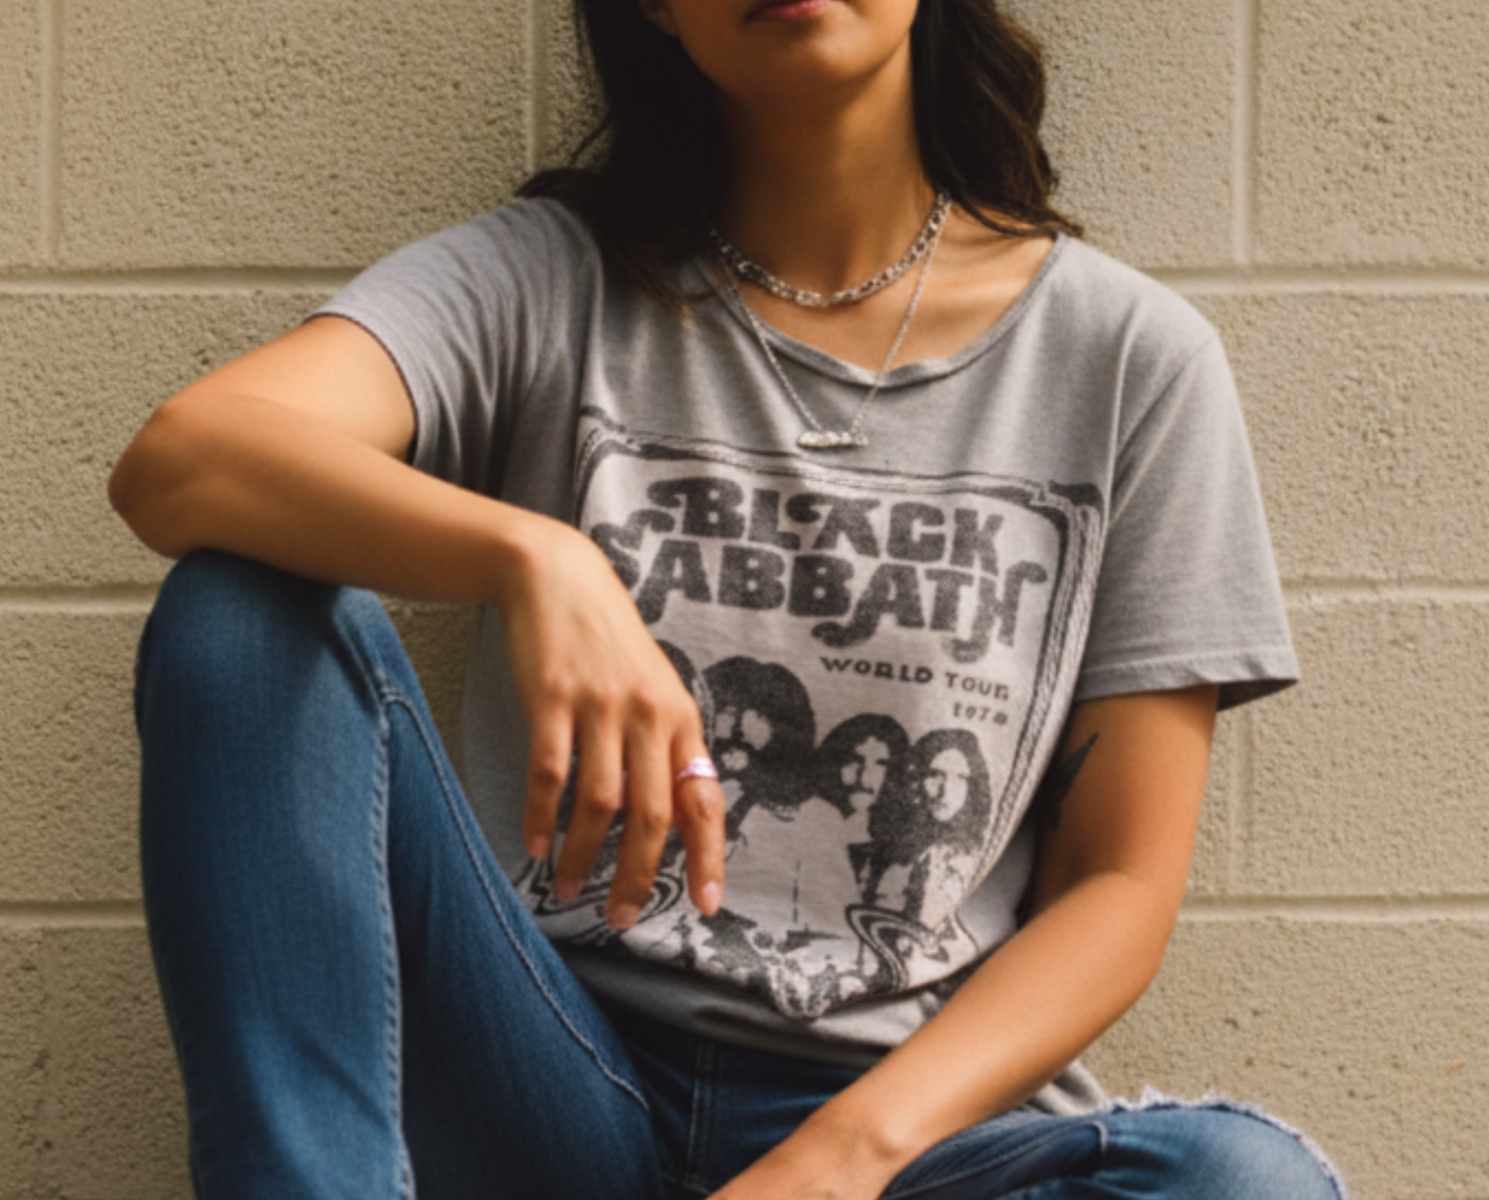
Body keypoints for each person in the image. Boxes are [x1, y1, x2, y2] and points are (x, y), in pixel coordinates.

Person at [109, 0, 1348, 1196]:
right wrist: (535, 559)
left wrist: (833, 1168)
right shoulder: (549, 283)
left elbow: (1118, 887)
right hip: (548, 1071)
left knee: (1246, 1183)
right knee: (242, 617)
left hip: (896, 1137)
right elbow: (185, 458)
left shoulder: (1129, 362)